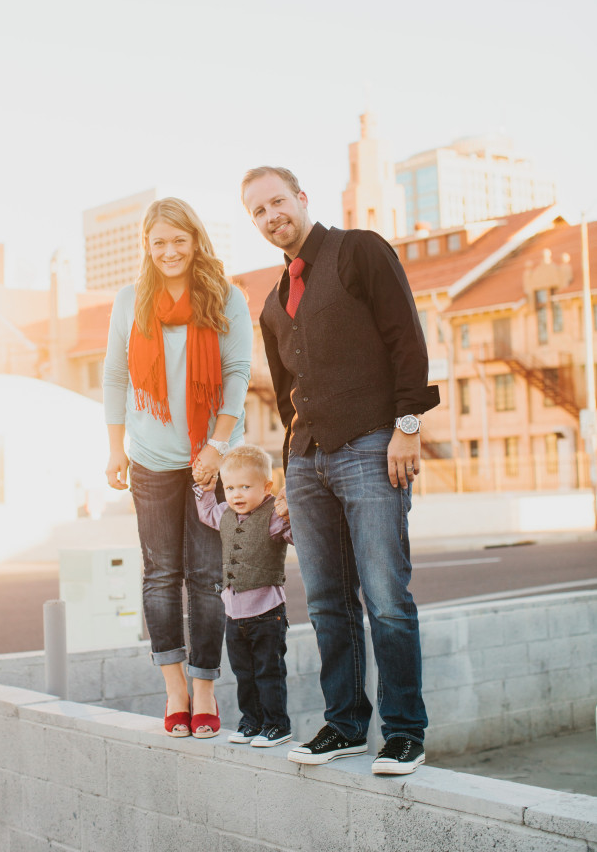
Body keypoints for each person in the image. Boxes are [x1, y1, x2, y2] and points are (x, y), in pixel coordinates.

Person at [241, 166, 440, 773]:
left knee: (385, 597)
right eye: (258, 211)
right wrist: (288, 470)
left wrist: (407, 428)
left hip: (371, 446)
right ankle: (346, 722)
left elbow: (406, 337)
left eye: (278, 201)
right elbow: (284, 394)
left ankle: (404, 731)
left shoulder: (358, 250)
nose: (272, 215)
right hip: (306, 462)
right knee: (327, 602)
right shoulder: (274, 302)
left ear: (302, 199)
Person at [103, 197, 252, 738]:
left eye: (178, 239)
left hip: (211, 460)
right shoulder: (130, 301)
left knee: (208, 578)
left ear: (195, 240)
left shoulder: (226, 297)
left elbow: (236, 373)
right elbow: (115, 377)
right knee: (161, 575)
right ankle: (175, 690)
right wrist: (116, 447)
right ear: (147, 244)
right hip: (148, 459)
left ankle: (206, 687)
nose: (169, 251)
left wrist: (216, 446)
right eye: (158, 241)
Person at [193, 444, 293, 748]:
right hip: (235, 616)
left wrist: (294, 509)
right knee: (244, 673)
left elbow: (296, 534)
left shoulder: (274, 516)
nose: (237, 494)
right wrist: (206, 488)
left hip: (267, 613)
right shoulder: (224, 512)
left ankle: (276, 725)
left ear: (267, 488)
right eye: (231, 487)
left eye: (246, 487)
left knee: (269, 672)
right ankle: (251, 722)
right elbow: (208, 512)